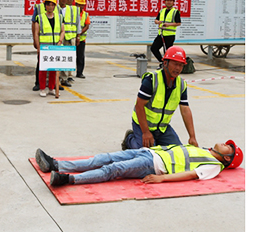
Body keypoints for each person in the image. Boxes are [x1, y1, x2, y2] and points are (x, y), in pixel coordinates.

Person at [34, 140, 242, 187]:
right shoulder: (204, 149)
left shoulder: (214, 166)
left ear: (227, 159)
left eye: (228, 147)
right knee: (105, 158)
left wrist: (162, 179)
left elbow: (190, 175)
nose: (225, 143)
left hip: (153, 164)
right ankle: (56, 165)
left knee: (112, 169)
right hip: (149, 152)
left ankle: (67, 180)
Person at [121, 46, 197, 150]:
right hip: (142, 125)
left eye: (181, 65)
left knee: (178, 151)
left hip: (162, 128)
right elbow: (139, 106)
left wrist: (192, 137)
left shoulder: (181, 84)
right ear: (165, 63)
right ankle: (129, 139)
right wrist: (146, 132)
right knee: (146, 152)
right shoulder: (151, 80)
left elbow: (185, 110)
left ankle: (156, 140)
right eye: (175, 64)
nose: (178, 68)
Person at [34, 0, 65, 98]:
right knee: (43, 69)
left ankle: (51, 88)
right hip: (44, 48)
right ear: (45, 6)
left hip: (55, 47)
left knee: (53, 69)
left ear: (55, 6)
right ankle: (42, 88)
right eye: (48, 4)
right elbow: (36, 33)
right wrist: (38, 47)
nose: (50, 7)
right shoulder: (40, 18)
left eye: (52, 5)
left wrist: (60, 41)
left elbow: (62, 31)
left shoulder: (59, 17)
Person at [32, 0, 57, 91]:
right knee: (41, 63)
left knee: (54, 64)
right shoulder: (38, 7)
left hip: (54, 42)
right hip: (43, 42)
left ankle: (54, 84)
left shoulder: (57, 8)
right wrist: (35, 40)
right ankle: (38, 83)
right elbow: (34, 23)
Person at [151, 0, 181, 64]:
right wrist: (157, 22)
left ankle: (167, 65)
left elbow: (178, 23)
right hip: (161, 34)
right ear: (165, 2)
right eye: (167, 0)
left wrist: (168, 24)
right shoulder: (162, 11)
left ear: (173, 2)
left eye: (171, 1)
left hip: (169, 35)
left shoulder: (175, 11)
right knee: (153, 48)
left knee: (167, 52)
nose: (169, 2)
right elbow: (156, 20)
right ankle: (162, 62)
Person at [57, 0, 78, 87]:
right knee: (57, 58)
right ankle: (56, 79)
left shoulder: (72, 9)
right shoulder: (55, 8)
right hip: (58, 37)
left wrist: (77, 36)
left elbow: (77, 23)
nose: (65, 0)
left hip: (69, 37)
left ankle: (64, 78)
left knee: (66, 59)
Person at [74, 0, 90, 78]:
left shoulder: (85, 14)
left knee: (80, 57)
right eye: (80, 5)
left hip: (81, 39)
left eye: (83, 5)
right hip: (72, 38)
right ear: (76, 4)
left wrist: (79, 33)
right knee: (71, 56)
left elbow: (87, 26)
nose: (81, 6)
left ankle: (79, 72)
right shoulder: (72, 13)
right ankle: (68, 74)